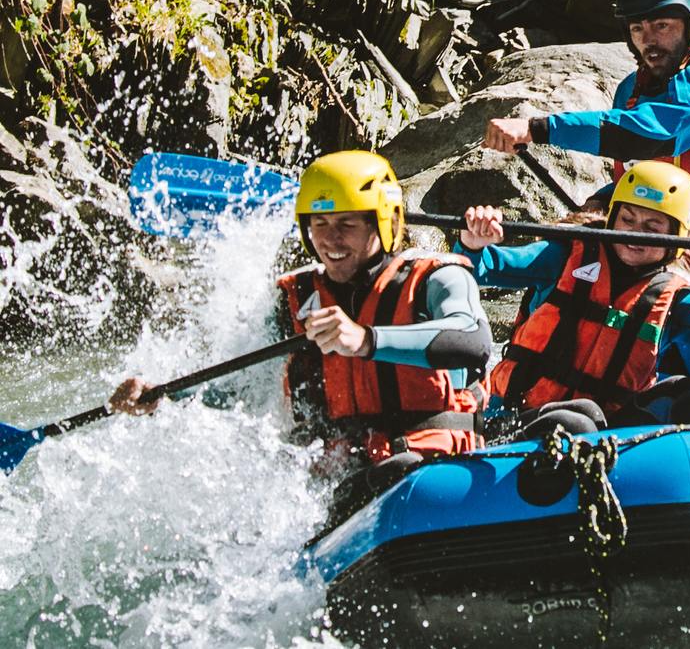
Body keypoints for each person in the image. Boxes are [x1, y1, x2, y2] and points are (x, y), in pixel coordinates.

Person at [480, 0, 690, 387]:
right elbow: (642, 174)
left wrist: (538, 128)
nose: (649, 41)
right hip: (654, 267)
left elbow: (653, 136)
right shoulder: (631, 88)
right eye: (637, 30)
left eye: (662, 26)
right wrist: (603, 199)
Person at [109, 151, 494, 479]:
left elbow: (472, 342)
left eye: (347, 224)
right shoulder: (294, 299)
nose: (330, 239)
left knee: (398, 469)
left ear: (384, 223)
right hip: (339, 480)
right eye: (319, 224)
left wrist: (364, 340)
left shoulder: (437, 277)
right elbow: (244, 389)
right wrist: (162, 395)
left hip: (430, 468)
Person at [455, 161, 690, 438]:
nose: (634, 233)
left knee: (679, 393)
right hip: (516, 417)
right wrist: (473, 244)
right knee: (579, 419)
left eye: (652, 226)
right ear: (612, 217)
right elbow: (486, 269)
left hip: (602, 432)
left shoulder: (676, 297)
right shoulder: (565, 255)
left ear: (676, 237)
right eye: (627, 219)